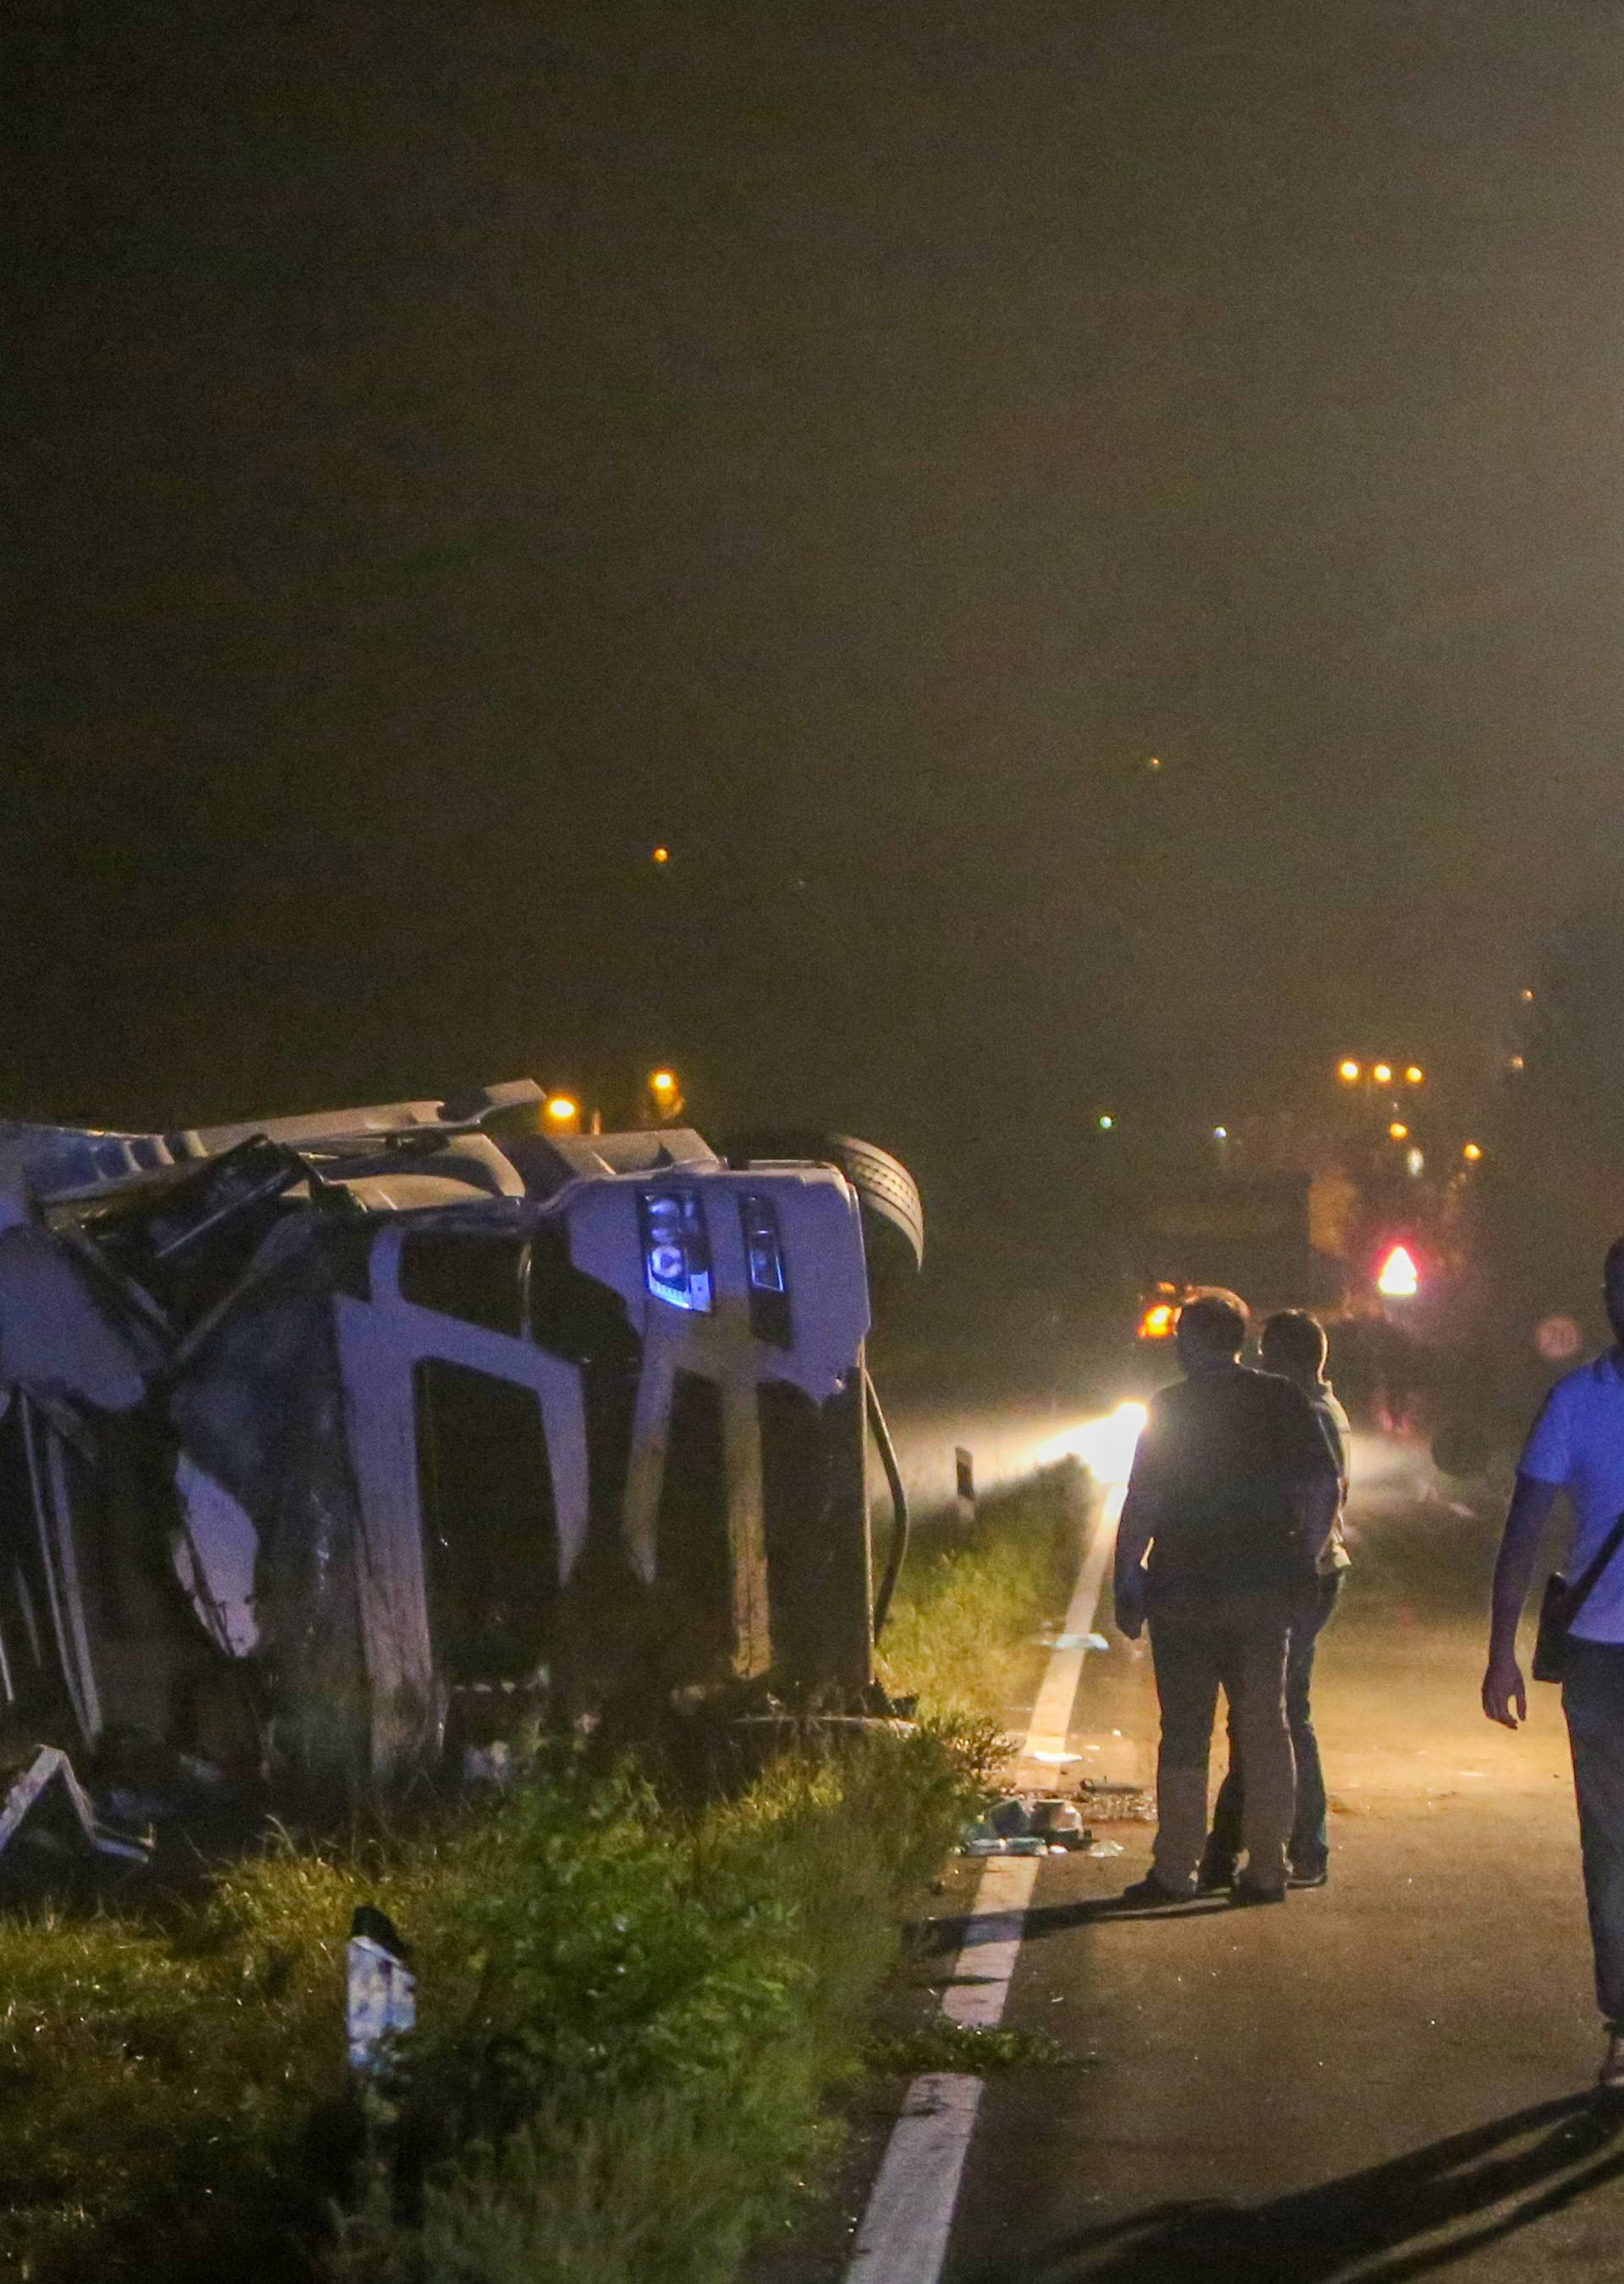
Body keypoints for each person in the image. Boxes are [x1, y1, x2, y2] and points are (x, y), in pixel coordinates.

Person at [1114, 1292, 1341, 1906]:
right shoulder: (1282, 1399)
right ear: (1239, 1340)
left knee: (1185, 1732)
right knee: (1265, 1728)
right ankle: (1267, 1867)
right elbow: (1323, 1486)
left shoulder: (1170, 1407)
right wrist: (1304, 1557)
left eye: (1181, 1336)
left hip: (1184, 1592)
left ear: (1192, 1340)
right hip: (1264, 1592)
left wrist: (1125, 1578)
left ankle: (1176, 1869)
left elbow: (1144, 1502)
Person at [1483, 1237, 1624, 2092]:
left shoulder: (1575, 1401)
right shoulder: (1573, 1400)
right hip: (1603, 1661)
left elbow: (1525, 1536)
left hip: (1601, 1659)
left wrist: (1503, 1650)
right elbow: (1521, 1534)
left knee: (1613, 1848)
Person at [1200, 1309, 1352, 1891]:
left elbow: (1315, 1498)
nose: (1257, 1366)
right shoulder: (1326, 1409)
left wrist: (1290, 1564)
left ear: (1283, 1361)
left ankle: (1291, 1844)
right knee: (1276, 1712)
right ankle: (1261, 1842)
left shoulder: (1307, 1414)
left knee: (1272, 1714)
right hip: (1314, 1572)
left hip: (1301, 1575)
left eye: (1265, 1356)